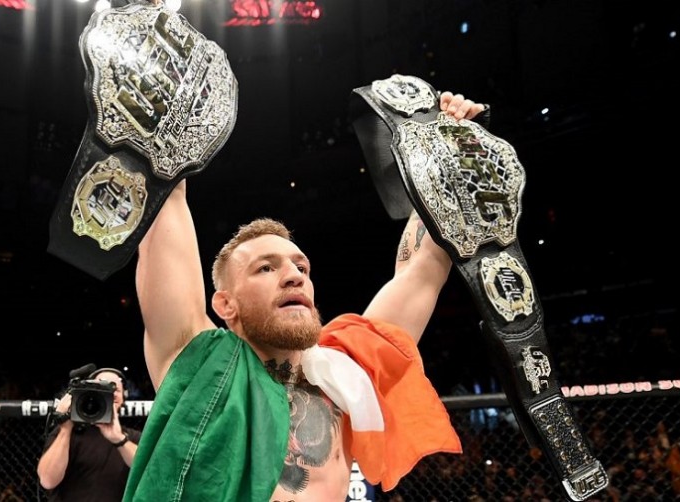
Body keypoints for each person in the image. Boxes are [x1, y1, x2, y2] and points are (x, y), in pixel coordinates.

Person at [123, 92, 486, 501]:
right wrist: (159, 113)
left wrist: (448, 156)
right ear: (226, 305)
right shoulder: (195, 361)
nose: (293, 276)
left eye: (301, 267)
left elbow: (422, 270)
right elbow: (166, 196)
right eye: (266, 268)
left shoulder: (343, 374)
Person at [37, 368, 142, 501]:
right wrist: (65, 429)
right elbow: (47, 480)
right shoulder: (67, 433)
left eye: (114, 389)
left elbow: (151, 470)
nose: (109, 393)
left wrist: (119, 439)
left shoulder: (132, 438)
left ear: (123, 398)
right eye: (102, 387)